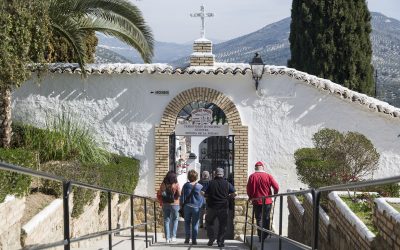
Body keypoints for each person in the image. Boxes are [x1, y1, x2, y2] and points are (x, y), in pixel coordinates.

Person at [246, 161, 279, 242]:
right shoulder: (268, 176)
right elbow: (276, 187)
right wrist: (275, 194)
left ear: (255, 168)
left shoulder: (252, 176)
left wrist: (250, 197)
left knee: (259, 219)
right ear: (263, 167)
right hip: (267, 201)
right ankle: (265, 233)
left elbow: (249, 189)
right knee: (266, 218)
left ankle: (261, 235)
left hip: (256, 201)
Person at [204, 167, 236, 247]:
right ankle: (220, 242)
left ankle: (211, 238)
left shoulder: (210, 183)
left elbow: (202, 192)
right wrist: (228, 196)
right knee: (223, 225)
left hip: (212, 207)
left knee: (209, 222)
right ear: (223, 174)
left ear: (215, 174)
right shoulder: (227, 184)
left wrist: (206, 197)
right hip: (223, 207)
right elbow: (235, 193)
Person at [180, 170, 204, 245]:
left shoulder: (186, 185)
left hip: (187, 206)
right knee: (195, 223)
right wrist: (201, 206)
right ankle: (194, 240)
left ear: (189, 177)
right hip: (196, 207)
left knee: (187, 223)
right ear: (196, 177)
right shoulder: (200, 186)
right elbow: (202, 198)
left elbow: (182, 197)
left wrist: (181, 205)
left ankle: (187, 239)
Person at [157, 171, 181, 243]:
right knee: (175, 219)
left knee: (166, 220)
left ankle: (167, 238)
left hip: (165, 203)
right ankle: (173, 237)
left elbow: (160, 192)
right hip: (175, 204)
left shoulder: (163, 183)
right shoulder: (176, 184)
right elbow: (179, 194)